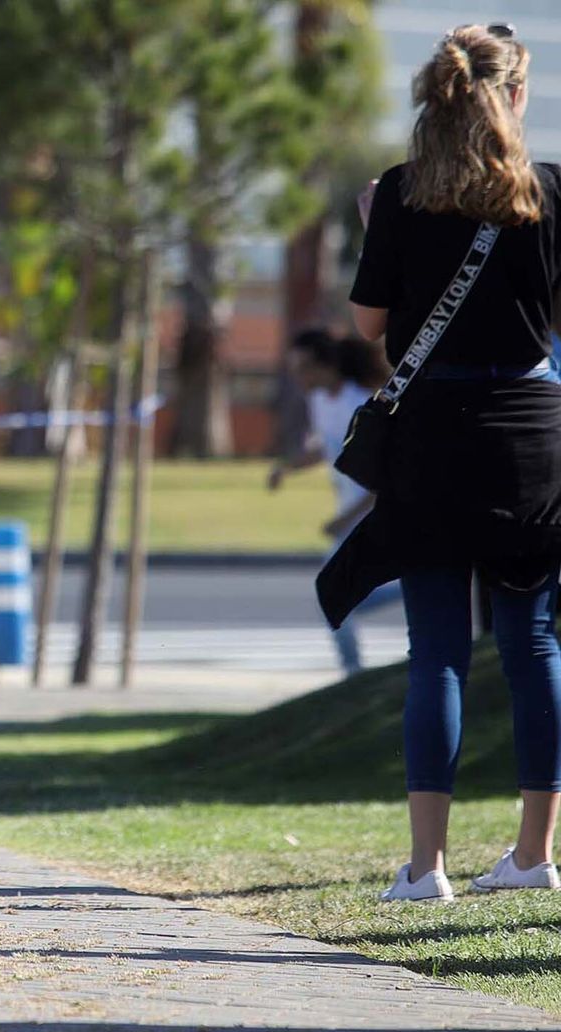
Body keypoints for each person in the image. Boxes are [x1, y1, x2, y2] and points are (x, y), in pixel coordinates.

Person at [319, 22, 561, 903]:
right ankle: (536, 855)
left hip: (434, 432)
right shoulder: (552, 194)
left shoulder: (399, 194)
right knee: (535, 641)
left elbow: (370, 327)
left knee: (439, 654)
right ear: (517, 96)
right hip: (533, 432)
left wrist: (376, 230)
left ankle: (427, 868)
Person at [269, 328, 393, 675]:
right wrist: (286, 469)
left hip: (371, 515)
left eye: (302, 368)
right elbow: (326, 448)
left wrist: (345, 518)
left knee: (334, 594)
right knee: (337, 597)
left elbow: (383, 478)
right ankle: (352, 673)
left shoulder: (361, 403)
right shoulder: (321, 402)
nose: (297, 378)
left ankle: (352, 675)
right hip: (350, 515)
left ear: (326, 365)